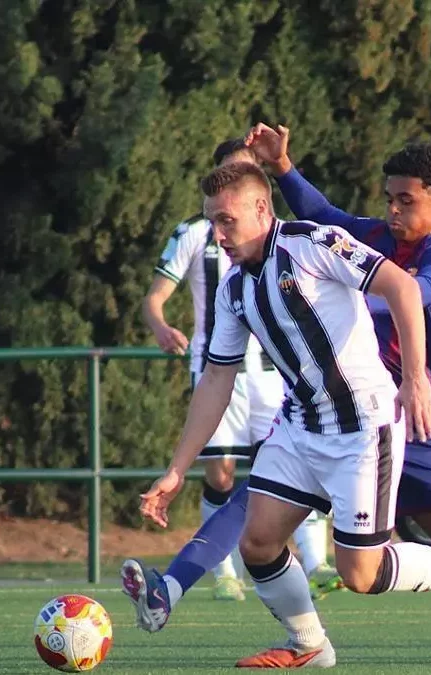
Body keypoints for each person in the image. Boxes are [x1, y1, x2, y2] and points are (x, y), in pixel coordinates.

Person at [125, 161, 431, 669]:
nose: (218, 234)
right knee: (258, 543)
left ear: (261, 209)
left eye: (227, 220)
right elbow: (217, 379)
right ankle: (309, 645)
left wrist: (415, 378)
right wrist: (177, 470)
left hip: (363, 428)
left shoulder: (314, 243)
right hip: (301, 428)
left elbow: (401, 288)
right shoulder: (234, 289)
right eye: (212, 221)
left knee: (361, 575)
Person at [143, 138, 335, 601]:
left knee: (289, 465)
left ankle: (316, 562)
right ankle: (224, 572)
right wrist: (161, 326)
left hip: (272, 375)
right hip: (217, 368)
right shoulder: (196, 233)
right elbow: (154, 297)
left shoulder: (291, 241)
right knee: (222, 475)